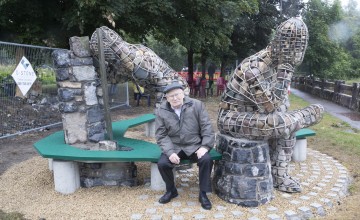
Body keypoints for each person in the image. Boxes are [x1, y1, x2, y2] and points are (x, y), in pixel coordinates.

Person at [155, 81, 215, 210]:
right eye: (171, 96)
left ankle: (203, 193)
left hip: (195, 145)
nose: (175, 98)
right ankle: (171, 190)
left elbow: (207, 128)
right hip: (175, 146)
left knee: (206, 160)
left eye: (177, 94)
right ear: (166, 98)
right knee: (163, 164)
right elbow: (161, 135)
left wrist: (204, 147)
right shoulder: (161, 111)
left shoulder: (197, 105)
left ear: (183, 94)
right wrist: (170, 152)